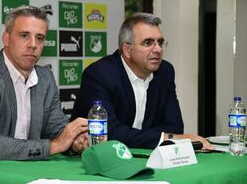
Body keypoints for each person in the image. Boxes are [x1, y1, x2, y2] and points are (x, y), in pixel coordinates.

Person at [0, 6, 88, 166]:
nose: (33, 44)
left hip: (21, 170)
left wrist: (75, 141)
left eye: (40, 38)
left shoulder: (45, 78)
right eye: (24, 35)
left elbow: (56, 128)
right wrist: (53, 146)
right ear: (6, 39)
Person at [71, 13, 212, 149]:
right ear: (127, 50)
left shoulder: (165, 72)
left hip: (147, 157)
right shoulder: (100, 74)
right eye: (148, 43)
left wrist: (141, 136)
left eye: (160, 42)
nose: (157, 49)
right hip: (99, 162)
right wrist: (164, 138)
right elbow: (109, 133)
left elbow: (174, 126)